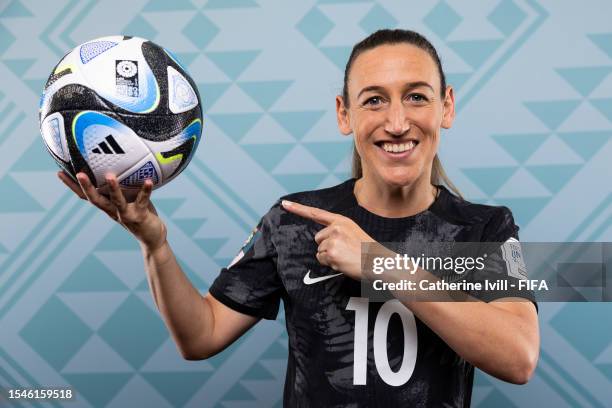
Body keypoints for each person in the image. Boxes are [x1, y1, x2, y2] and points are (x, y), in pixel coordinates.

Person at [58, 29, 539, 407]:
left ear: (446, 106)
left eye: (416, 96)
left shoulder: (483, 230)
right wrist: (155, 245)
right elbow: (200, 336)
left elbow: (518, 357)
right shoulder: (294, 223)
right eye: (374, 99)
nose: (396, 122)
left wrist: (377, 262)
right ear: (344, 114)